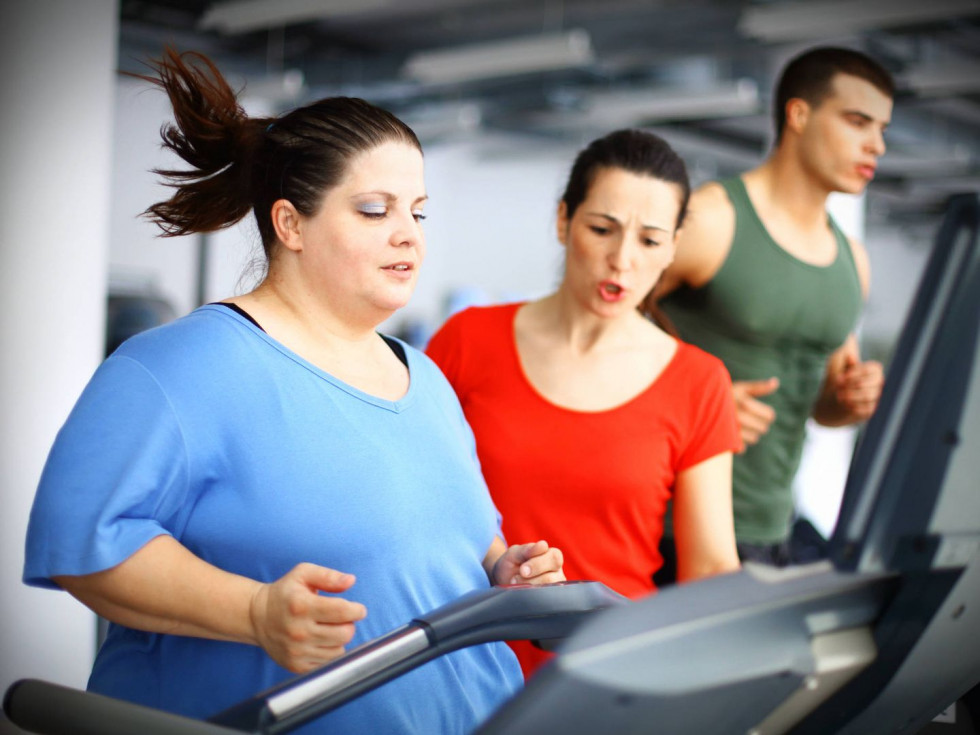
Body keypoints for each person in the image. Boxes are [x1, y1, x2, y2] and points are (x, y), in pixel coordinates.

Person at [22, 48, 564, 734]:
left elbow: (460, 543)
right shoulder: (179, 367)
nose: (408, 235)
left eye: (418, 213)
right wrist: (252, 611)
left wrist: (502, 572)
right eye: (374, 209)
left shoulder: (423, 377)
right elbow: (85, 545)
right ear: (290, 225)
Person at [426, 129, 742, 677]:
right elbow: (420, 500)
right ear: (563, 221)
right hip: (463, 663)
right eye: (602, 229)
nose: (622, 260)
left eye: (649, 240)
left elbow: (711, 567)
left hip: (613, 677)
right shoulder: (466, 340)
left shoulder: (699, 381)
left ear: (673, 246)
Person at [655, 46, 893, 570]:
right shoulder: (712, 220)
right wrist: (695, 402)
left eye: (882, 128)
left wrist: (849, 400)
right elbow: (594, 331)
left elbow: (821, 405)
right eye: (857, 121)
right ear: (799, 114)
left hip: (777, 526)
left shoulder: (852, 260)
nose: (876, 144)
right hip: (675, 530)